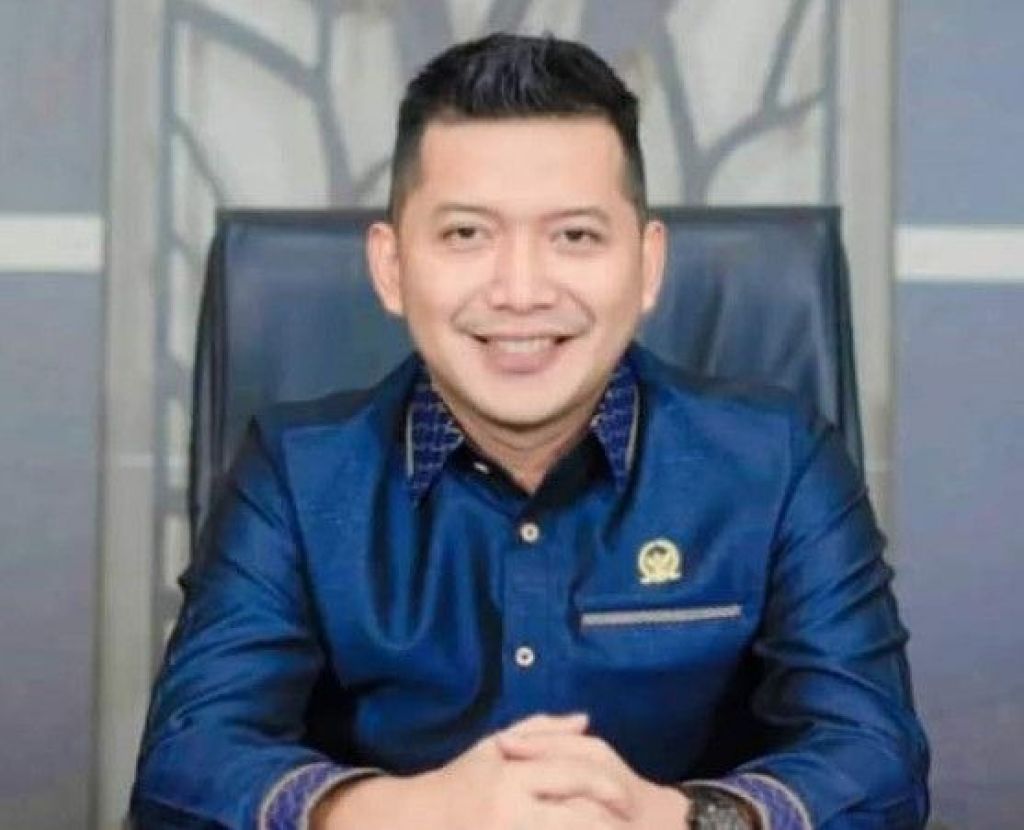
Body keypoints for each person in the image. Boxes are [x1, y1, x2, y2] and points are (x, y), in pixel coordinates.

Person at [131, 33, 929, 830]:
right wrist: (412, 813)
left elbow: (877, 760)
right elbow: (184, 766)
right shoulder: (295, 476)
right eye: (466, 235)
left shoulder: (778, 462)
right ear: (392, 267)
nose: (520, 291)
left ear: (647, 265)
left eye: (574, 235)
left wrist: (677, 820)